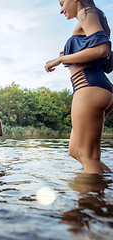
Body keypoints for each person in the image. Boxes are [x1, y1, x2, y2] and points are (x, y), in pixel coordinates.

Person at [45, 0, 113, 174]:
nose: (61, 10)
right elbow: (96, 52)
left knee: (90, 158)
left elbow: (102, 50)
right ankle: (105, 187)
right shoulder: (87, 17)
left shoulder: (86, 12)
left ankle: (92, 201)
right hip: (94, 87)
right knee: (76, 151)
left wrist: (60, 59)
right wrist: (70, 53)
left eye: (62, 3)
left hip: (88, 88)